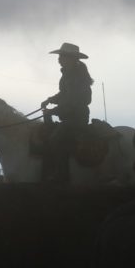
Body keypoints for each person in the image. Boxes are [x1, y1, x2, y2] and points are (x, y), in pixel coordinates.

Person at [41, 42, 93, 183]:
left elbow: (73, 101)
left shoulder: (79, 78)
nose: (59, 59)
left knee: (55, 139)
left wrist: (54, 110)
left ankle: (62, 175)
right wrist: (50, 99)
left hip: (77, 118)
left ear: (71, 59)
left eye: (62, 56)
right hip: (68, 117)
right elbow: (64, 95)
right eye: (60, 56)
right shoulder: (67, 76)